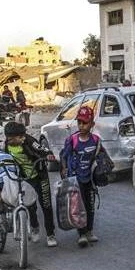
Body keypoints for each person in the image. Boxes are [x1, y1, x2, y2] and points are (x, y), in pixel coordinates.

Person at [2, 122, 57, 247]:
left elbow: (44, 150)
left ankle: (50, 234)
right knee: (29, 204)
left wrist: (48, 155)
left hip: (39, 176)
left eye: (23, 136)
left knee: (46, 204)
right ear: (10, 138)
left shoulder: (30, 141)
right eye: (19, 138)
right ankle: (34, 226)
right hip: (25, 178)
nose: (22, 139)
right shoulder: (7, 146)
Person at [60, 106, 102, 247]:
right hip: (75, 179)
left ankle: (89, 230)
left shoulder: (96, 140)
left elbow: (101, 156)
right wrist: (64, 169)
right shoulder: (72, 140)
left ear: (92, 124)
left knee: (90, 206)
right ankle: (81, 233)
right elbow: (64, 156)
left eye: (85, 123)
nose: (82, 126)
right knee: (78, 207)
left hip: (89, 179)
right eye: (79, 122)